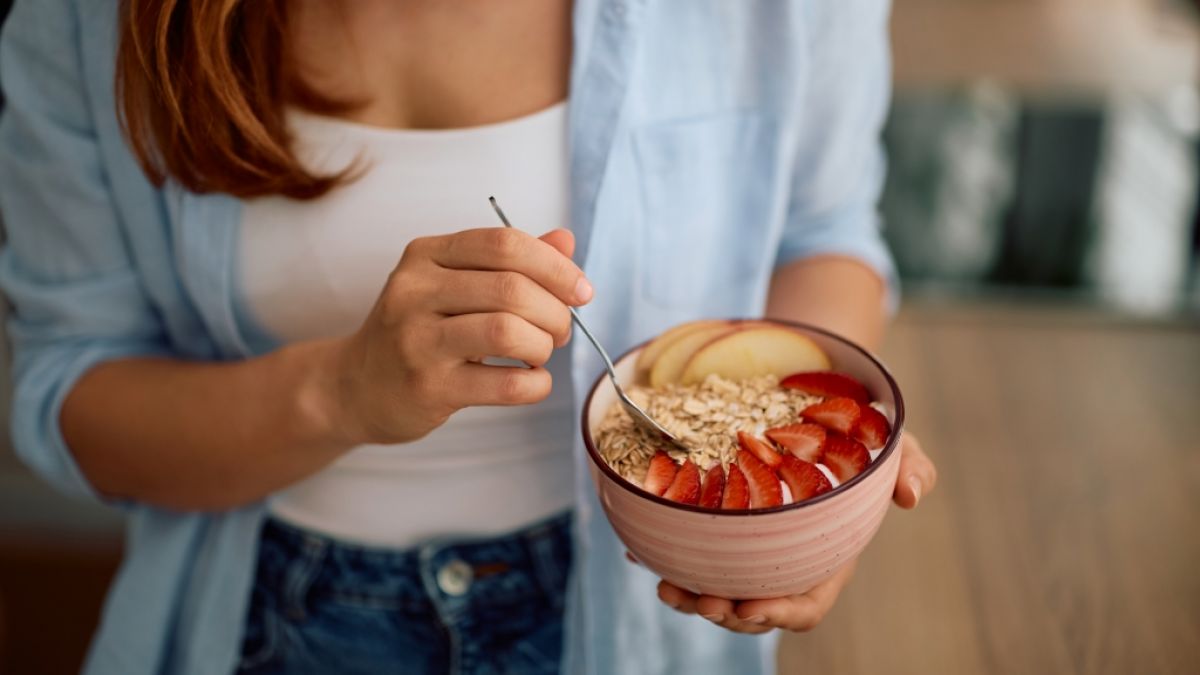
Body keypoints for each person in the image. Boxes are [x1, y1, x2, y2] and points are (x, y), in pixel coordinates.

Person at [0, 0, 937, 673]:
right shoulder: (85, 24)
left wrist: (813, 507)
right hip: (270, 621)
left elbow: (822, 235)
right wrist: (340, 392)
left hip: (636, 616)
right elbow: (71, 392)